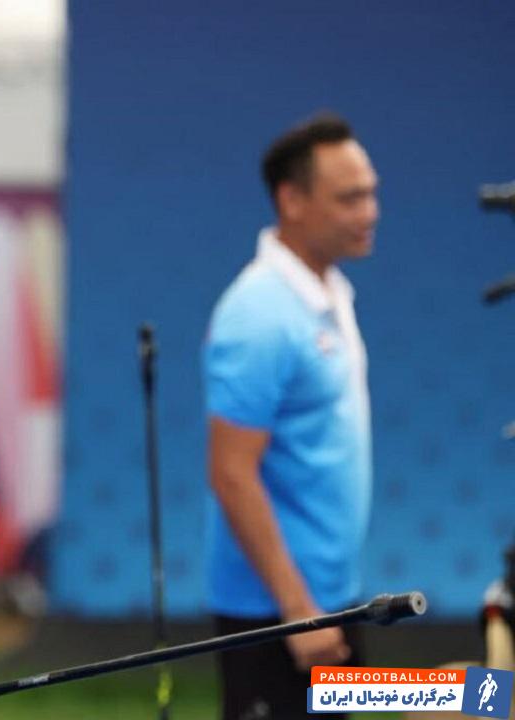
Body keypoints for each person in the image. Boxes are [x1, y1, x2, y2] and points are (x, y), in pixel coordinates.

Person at [203, 113, 379, 720]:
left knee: (459, 697)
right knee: (466, 696)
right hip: (277, 617)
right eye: (349, 198)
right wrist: (297, 609)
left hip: (332, 599)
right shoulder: (258, 315)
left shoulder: (329, 292)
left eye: (371, 193)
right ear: (292, 201)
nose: (370, 211)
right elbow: (231, 473)